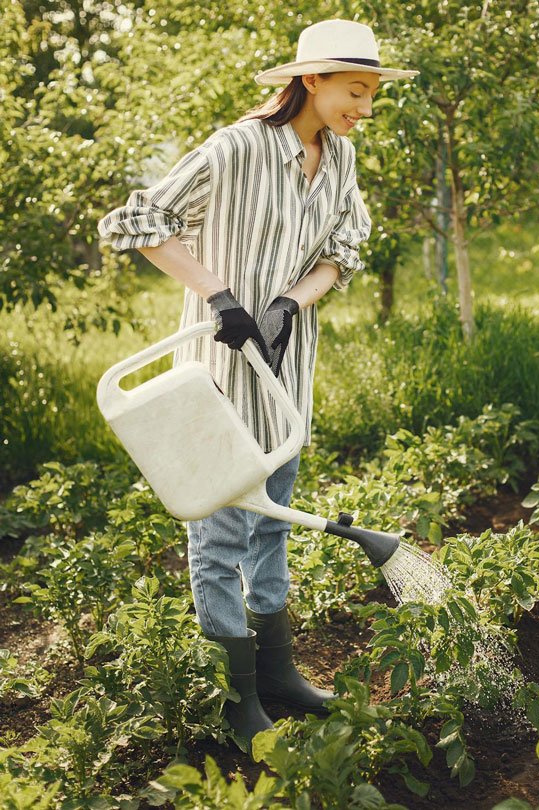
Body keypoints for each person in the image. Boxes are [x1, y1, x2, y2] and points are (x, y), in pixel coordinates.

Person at [97, 18, 418, 750]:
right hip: (212, 381)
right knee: (218, 539)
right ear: (311, 80)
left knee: (272, 526)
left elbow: (344, 251)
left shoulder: (338, 160)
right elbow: (140, 221)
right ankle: (232, 697)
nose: (364, 108)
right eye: (355, 91)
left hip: (286, 377)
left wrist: (286, 304)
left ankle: (276, 676)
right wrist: (220, 297)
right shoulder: (237, 147)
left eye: (372, 94)